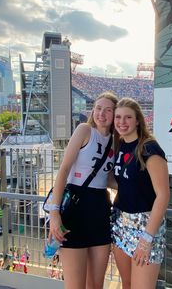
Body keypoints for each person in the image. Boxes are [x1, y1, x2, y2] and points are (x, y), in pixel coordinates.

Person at [49, 91, 118, 289]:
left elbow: (108, 178)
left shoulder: (115, 141)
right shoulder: (85, 130)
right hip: (75, 207)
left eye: (108, 110)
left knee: (96, 285)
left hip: (100, 208)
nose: (101, 114)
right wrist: (55, 213)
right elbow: (64, 169)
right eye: (98, 108)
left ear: (114, 114)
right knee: (75, 285)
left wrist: (138, 188)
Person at [111, 97, 170, 289]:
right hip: (120, 223)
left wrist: (147, 238)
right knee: (126, 284)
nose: (122, 122)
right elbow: (123, 182)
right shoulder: (119, 146)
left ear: (138, 120)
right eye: (118, 117)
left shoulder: (149, 148)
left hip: (146, 227)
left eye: (128, 117)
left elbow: (163, 195)